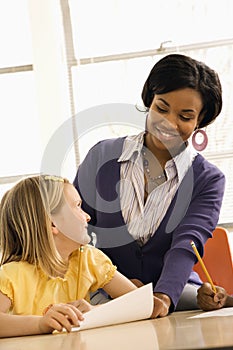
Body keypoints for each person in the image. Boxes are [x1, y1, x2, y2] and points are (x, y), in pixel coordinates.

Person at [73, 53, 225, 315]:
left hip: (174, 291)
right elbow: (75, 233)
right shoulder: (101, 156)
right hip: (102, 289)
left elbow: (186, 243)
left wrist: (163, 297)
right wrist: (117, 285)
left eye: (185, 116)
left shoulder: (208, 180)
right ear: (149, 102)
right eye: (161, 108)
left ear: (199, 121)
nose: (169, 123)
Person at [0, 175, 163, 338]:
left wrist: (94, 312)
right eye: (77, 206)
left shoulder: (89, 259)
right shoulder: (12, 274)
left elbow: (143, 304)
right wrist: (41, 323)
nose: (87, 216)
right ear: (53, 224)